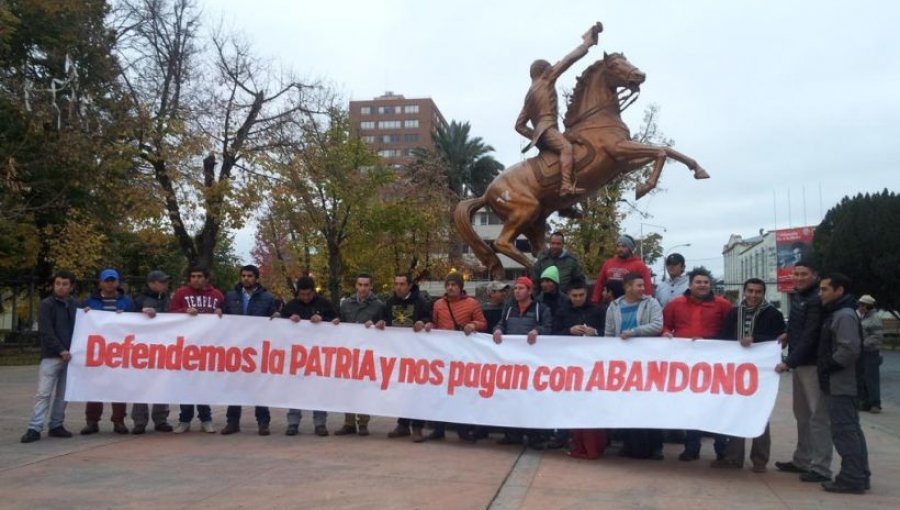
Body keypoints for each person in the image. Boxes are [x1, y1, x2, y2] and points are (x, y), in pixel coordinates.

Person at [515, 23, 600, 196]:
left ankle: (563, 205)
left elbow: (519, 125)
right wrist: (586, 44)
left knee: (574, 143)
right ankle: (565, 186)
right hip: (548, 130)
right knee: (567, 149)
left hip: (543, 135)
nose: (552, 68)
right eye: (550, 68)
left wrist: (536, 136)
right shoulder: (545, 79)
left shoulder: (528, 96)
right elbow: (567, 60)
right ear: (545, 70)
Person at [713, 278, 786, 472]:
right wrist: (703, 344)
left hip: (762, 372)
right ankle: (734, 458)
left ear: (763, 293)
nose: (754, 295)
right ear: (744, 292)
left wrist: (755, 340)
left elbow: (779, 340)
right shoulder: (734, 313)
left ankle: (760, 460)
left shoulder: (773, 314)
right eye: (750, 291)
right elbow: (723, 337)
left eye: (758, 292)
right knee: (736, 411)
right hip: (736, 371)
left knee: (760, 414)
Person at [662, 266, 732, 461]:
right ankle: (691, 448)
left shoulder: (723, 305)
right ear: (690, 284)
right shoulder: (675, 304)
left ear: (711, 285)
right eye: (698, 282)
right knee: (692, 407)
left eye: (706, 282)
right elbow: (665, 325)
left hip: (715, 365)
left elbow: (730, 331)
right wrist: (666, 333)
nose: (702, 285)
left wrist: (711, 342)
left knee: (716, 406)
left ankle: (721, 448)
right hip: (687, 366)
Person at [774, 260, 833, 482]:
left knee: (818, 417)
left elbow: (811, 334)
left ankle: (821, 467)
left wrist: (789, 361)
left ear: (815, 275)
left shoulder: (817, 299)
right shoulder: (800, 296)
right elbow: (798, 326)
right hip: (800, 364)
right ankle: (802, 459)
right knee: (802, 416)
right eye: (796, 274)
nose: (798, 277)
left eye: (803, 274)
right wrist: (787, 334)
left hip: (812, 364)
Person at [816, 273, 871, 494]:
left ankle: (852, 477)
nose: (821, 293)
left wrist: (828, 365)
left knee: (844, 431)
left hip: (842, 383)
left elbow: (848, 349)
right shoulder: (839, 313)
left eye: (825, 289)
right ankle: (860, 474)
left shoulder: (844, 315)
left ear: (839, 291)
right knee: (850, 430)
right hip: (840, 381)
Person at [605, 272, 665, 460]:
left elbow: (657, 325)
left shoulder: (651, 303)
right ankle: (630, 445)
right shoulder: (613, 306)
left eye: (643, 286)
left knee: (650, 404)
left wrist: (635, 332)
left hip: (647, 361)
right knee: (627, 405)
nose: (643, 289)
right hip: (623, 364)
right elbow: (609, 333)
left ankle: (655, 447)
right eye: (638, 285)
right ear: (627, 287)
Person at [493, 276, 552, 449]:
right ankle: (513, 434)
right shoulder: (509, 308)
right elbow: (501, 324)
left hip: (532, 363)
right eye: (515, 288)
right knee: (512, 398)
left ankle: (534, 436)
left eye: (521, 288)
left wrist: (537, 331)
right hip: (511, 362)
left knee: (531, 399)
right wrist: (497, 330)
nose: (517, 291)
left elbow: (548, 328)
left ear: (530, 291)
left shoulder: (542, 309)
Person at [428, 271, 488, 441]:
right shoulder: (438, 304)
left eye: (454, 285)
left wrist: (472, 324)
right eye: (448, 285)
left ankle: (463, 429)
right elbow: (434, 323)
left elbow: (483, 323)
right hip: (442, 354)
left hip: (463, 355)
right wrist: (428, 326)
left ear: (460, 287)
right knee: (440, 391)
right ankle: (438, 428)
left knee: (461, 392)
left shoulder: (472, 303)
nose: (450, 287)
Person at [21, 271, 78, 443]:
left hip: (71, 357)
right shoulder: (47, 304)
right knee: (43, 393)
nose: (61, 287)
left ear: (71, 286)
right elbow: (46, 331)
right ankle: (34, 427)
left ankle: (56, 424)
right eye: (58, 283)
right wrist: (61, 350)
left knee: (63, 394)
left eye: (65, 284)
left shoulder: (75, 304)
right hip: (52, 356)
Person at [221, 265, 278, 436]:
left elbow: (273, 315)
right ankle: (232, 422)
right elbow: (223, 316)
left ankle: (263, 422)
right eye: (243, 275)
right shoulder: (230, 296)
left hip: (257, 348)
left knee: (258, 385)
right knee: (235, 385)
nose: (246, 278)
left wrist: (276, 316)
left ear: (256, 278)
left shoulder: (267, 297)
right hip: (236, 347)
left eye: (250, 276)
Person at [552, 278, 606, 456]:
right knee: (568, 404)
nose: (578, 298)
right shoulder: (561, 312)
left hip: (593, 366)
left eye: (581, 295)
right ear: (568, 295)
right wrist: (569, 331)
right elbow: (551, 335)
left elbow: (609, 333)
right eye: (574, 295)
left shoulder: (598, 310)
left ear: (586, 294)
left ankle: (593, 444)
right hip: (569, 366)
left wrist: (595, 332)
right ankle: (567, 439)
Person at [377, 273, 432, 443]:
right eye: (396, 283)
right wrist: (380, 323)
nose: (398, 287)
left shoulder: (420, 301)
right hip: (397, 353)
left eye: (402, 284)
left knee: (417, 390)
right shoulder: (389, 302)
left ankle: (417, 426)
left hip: (417, 354)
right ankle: (402, 424)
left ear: (409, 286)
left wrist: (423, 323)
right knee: (401, 390)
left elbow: (429, 319)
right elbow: (382, 319)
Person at [169, 265, 224, 434]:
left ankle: (206, 419)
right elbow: (170, 314)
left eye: (200, 276)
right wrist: (184, 311)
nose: (196, 279)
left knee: (203, 384)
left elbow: (229, 317)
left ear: (206, 278)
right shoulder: (181, 294)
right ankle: (184, 420)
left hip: (208, 346)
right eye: (193, 276)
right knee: (185, 384)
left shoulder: (217, 295)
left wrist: (221, 311)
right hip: (186, 346)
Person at [280, 276, 336, 437]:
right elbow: (279, 327)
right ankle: (293, 423)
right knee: (294, 389)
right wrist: (288, 320)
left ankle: (320, 423)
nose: (305, 298)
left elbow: (336, 321)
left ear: (313, 292)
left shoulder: (324, 304)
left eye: (308, 295)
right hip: (295, 356)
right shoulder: (291, 305)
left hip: (318, 356)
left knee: (318, 389)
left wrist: (323, 320)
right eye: (302, 295)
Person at [81, 268, 134, 435]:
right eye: (107, 280)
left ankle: (118, 421)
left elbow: (135, 322)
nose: (110, 283)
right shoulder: (90, 302)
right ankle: (92, 421)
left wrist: (126, 316)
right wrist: (86, 315)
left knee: (118, 387)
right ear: (100, 283)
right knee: (94, 387)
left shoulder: (127, 302)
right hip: (97, 351)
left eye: (113, 280)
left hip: (120, 350)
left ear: (118, 282)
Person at [333, 272, 386, 437]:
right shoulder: (346, 304)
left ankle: (363, 422)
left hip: (368, 354)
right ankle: (348, 422)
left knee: (364, 388)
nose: (363, 288)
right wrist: (336, 323)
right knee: (347, 387)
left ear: (371, 286)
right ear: (356, 286)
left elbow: (385, 327)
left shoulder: (379, 306)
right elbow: (339, 321)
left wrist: (379, 325)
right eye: (360, 285)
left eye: (366, 285)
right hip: (348, 352)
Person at [131, 270, 174, 434]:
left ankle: (161, 419)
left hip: (164, 347)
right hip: (143, 349)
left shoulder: (168, 299)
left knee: (162, 384)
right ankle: (139, 421)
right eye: (162, 282)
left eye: (166, 282)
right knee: (141, 385)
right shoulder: (140, 300)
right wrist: (141, 314)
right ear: (151, 283)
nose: (165, 284)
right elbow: (128, 320)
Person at [591, 235, 654, 304]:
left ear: (630, 248)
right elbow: (599, 283)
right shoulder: (608, 263)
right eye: (618, 246)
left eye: (623, 246)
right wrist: (595, 301)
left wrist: (647, 304)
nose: (620, 249)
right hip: (610, 304)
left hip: (630, 304)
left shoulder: (639, 265)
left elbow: (647, 286)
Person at [857, 294, 883, 414]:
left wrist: (862, 344)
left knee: (871, 378)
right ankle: (865, 402)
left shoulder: (874, 318)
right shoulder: (863, 317)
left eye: (862, 305)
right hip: (862, 352)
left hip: (871, 352)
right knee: (862, 378)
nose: (860, 307)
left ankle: (875, 403)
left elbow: (877, 337)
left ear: (868, 306)